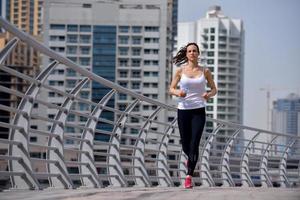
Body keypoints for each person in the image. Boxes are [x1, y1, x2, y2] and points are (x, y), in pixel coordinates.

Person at [169, 42, 217, 188]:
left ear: (198, 53)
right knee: (186, 144)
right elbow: (171, 88)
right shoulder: (180, 71)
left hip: (198, 110)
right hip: (183, 110)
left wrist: (208, 95)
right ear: (186, 54)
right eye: (189, 51)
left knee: (195, 143)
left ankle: (189, 176)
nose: (192, 53)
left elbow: (214, 89)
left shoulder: (205, 71)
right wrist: (179, 92)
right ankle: (189, 157)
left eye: (194, 51)